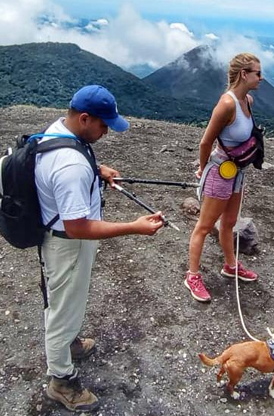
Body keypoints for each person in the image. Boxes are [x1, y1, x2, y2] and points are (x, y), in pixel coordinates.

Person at [34, 85, 164, 412]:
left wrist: (97, 169)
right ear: (84, 118)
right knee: (62, 310)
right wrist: (133, 227)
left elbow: (70, 161)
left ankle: (70, 344)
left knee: (68, 302)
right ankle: (61, 381)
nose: (106, 131)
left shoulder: (59, 131)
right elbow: (77, 225)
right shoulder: (70, 166)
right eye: (103, 125)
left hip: (65, 240)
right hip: (69, 243)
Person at [184, 53, 263, 302]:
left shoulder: (247, 100)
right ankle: (192, 275)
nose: (261, 78)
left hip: (238, 171)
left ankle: (230, 265)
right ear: (244, 74)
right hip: (221, 171)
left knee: (229, 222)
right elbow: (206, 141)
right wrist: (203, 168)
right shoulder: (227, 104)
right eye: (257, 73)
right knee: (205, 226)